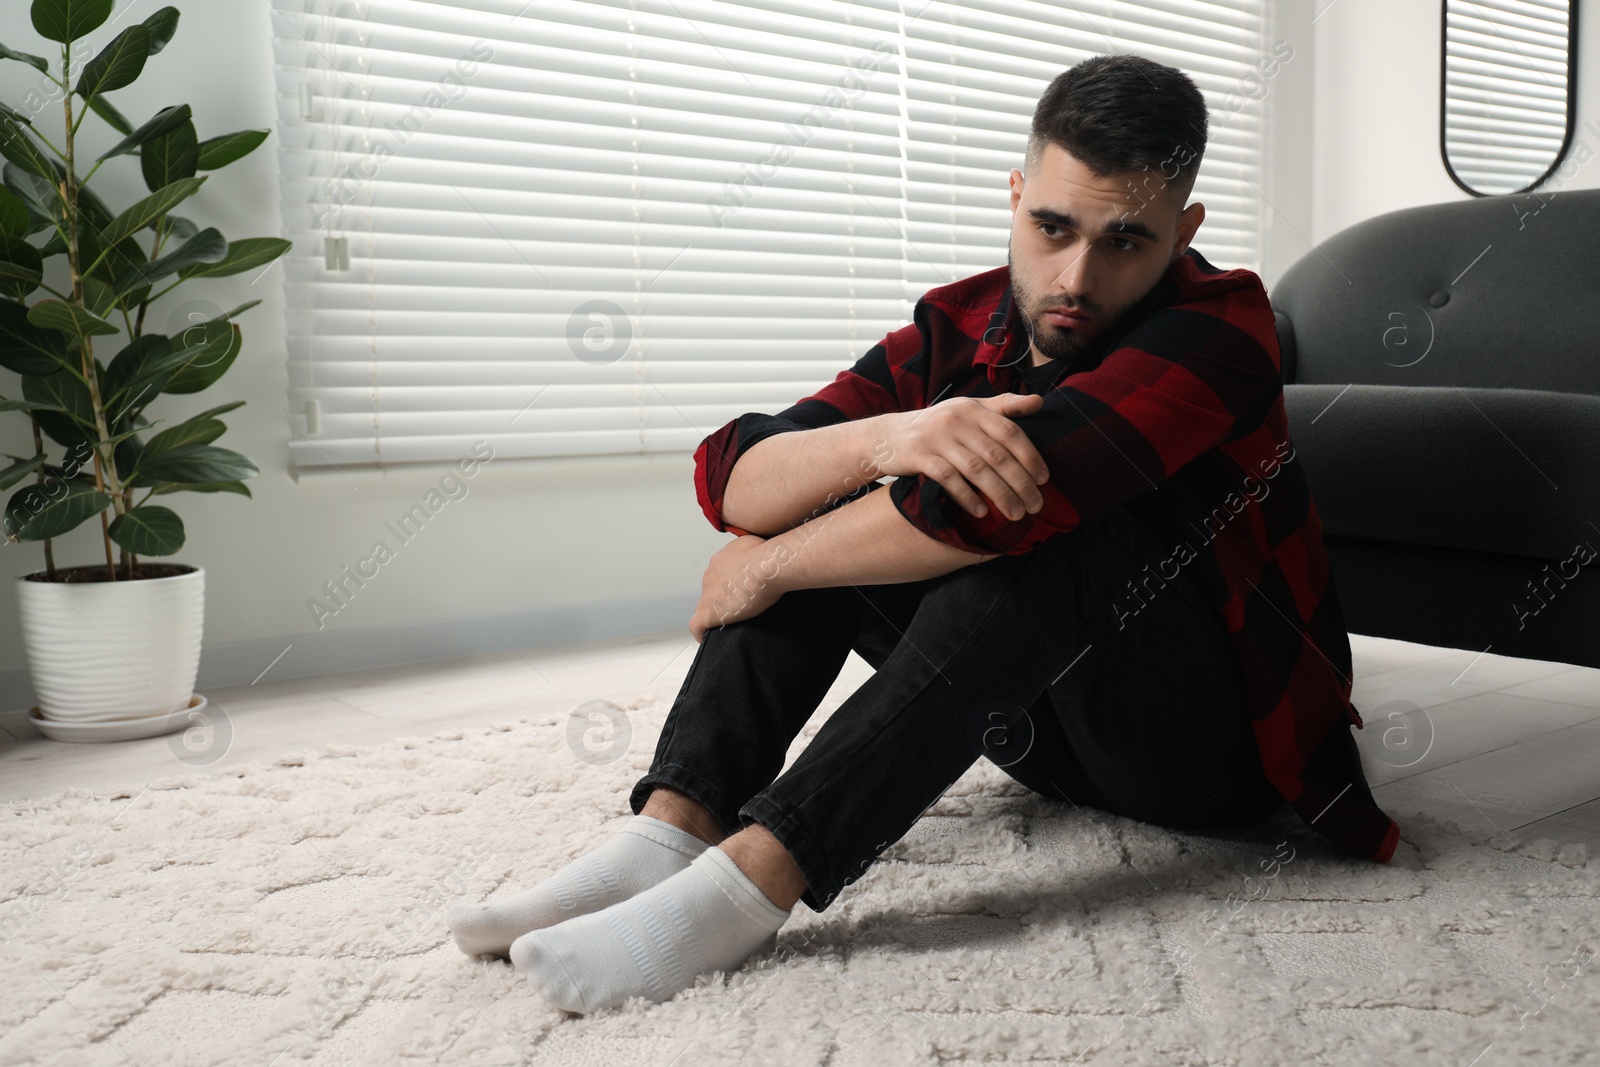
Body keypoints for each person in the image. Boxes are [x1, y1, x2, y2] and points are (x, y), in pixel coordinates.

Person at [445, 52, 1400, 1016]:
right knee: (842, 487)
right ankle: (666, 834)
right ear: (1017, 194)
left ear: (1184, 233)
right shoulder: (959, 323)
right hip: (1040, 733)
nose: (1077, 276)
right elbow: (739, 474)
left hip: (1213, 752)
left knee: (1038, 524)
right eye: (1053, 227)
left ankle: (751, 884)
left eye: (1125, 242)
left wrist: (769, 565)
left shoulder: (1224, 329)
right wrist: (892, 437)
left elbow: (984, 511)